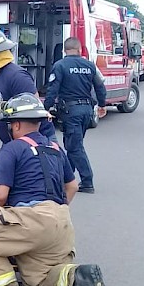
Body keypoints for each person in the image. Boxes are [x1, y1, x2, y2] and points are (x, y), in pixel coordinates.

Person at [0, 93, 107, 286]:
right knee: (38, 280)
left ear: (16, 124)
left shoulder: (11, 149)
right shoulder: (56, 149)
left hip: (31, 220)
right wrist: (54, 211)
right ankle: (78, 277)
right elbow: (72, 185)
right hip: (61, 221)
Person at [0, 27, 57, 176]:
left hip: (37, 144)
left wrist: (21, 153)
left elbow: (34, 117)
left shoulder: (17, 77)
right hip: (13, 145)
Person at [44, 37, 108, 194]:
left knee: (74, 147)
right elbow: (100, 87)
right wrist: (102, 105)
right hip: (87, 110)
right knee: (73, 144)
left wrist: (45, 109)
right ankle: (67, 179)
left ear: (64, 50)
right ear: (80, 50)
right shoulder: (89, 65)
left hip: (71, 111)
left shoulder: (60, 65)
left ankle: (87, 181)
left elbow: (53, 90)